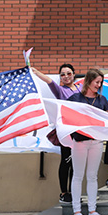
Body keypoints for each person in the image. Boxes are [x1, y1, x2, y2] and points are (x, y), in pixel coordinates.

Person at [66, 68, 108, 215]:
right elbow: (65, 115)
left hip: (97, 142)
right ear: (89, 81)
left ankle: (92, 210)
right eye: (97, 82)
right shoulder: (75, 98)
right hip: (79, 141)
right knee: (78, 175)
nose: (99, 85)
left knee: (92, 176)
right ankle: (76, 210)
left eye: (100, 83)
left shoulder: (102, 99)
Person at [31, 64, 79, 204]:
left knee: (77, 163)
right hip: (66, 131)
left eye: (68, 73)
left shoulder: (80, 88)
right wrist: (36, 71)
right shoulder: (60, 90)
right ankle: (64, 192)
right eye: (62, 74)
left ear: (74, 74)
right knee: (66, 161)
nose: (66, 77)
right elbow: (48, 81)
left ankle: (74, 192)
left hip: (79, 131)